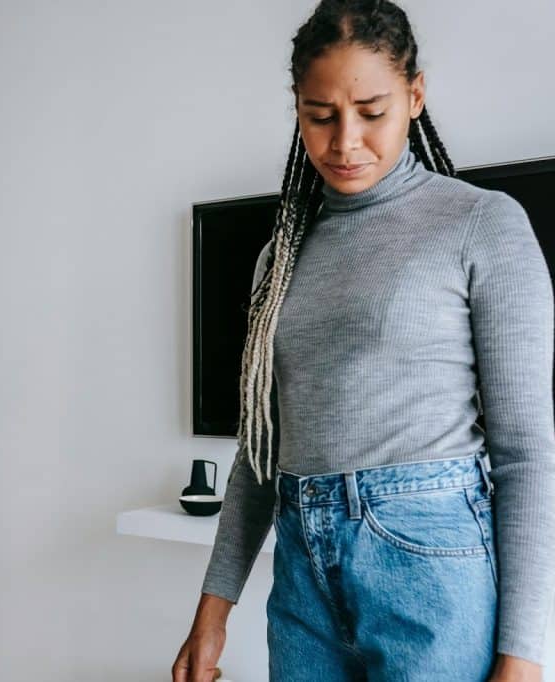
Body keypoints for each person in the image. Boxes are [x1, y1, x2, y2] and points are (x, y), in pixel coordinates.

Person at [173, 1, 554, 680]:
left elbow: (526, 454)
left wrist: (523, 655)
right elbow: (260, 453)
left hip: (432, 572)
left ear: (415, 96)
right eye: (320, 115)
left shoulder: (482, 224)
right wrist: (212, 613)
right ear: (298, 109)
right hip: (302, 579)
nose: (346, 142)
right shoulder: (280, 257)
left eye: (372, 112)